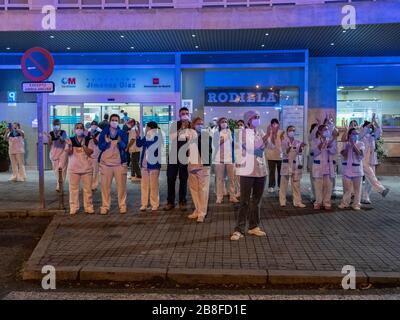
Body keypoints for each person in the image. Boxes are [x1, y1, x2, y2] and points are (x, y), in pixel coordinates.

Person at [230, 110, 268, 241]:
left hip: (261, 170)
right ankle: (239, 229)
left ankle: (253, 226)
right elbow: (253, 148)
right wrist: (268, 135)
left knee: (257, 201)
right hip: (247, 171)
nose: (257, 119)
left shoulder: (260, 132)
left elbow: (268, 146)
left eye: (258, 117)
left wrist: (270, 136)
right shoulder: (242, 133)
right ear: (248, 120)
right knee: (244, 201)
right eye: (255, 117)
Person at [98, 114, 129, 215]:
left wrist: (120, 142)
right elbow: (100, 147)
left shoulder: (122, 133)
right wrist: (106, 143)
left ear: (119, 121)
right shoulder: (104, 132)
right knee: (105, 187)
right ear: (109, 121)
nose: (114, 122)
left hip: (119, 164)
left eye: (116, 120)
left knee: (121, 187)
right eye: (112, 120)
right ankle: (105, 206)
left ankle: (122, 205)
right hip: (106, 164)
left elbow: (125, 147)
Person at [164, 107, 191, 211]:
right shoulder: (174, 125)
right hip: (174, 154)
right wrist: (181, 129)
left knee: (183, 179)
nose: (184, 115)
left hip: (185, 155)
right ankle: (170, 202)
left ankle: (182, 201)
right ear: (179, 115)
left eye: (186, 113)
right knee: (170, 178)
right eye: (182, 113)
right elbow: (171, 138)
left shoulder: (191, 125)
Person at [65, 123, 94, 215]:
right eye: (77, 128)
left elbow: (90, 152)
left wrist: (84, 146)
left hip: (86, 168)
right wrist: (69, 145)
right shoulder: (70, 139)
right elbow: (68, 153)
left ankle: (88, 207)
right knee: (73, 189)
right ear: (74, 130)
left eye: (81, 128)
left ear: (84, 129)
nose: (79, 129)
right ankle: (73, 207)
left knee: (87, 189)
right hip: (73, 168)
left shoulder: (89, 140)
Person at [360, 114, 390, 203]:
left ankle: (365, 197)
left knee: (369, 180)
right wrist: (370, 122)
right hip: (364, 161)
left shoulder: (372, 137)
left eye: (371, 127)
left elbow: (379, 131)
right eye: (368, 127)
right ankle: (381, 190)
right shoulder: (361, 136)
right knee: (372, 177)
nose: (370, 128)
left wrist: (375, 122)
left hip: (372, 161)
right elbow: (363, 131)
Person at [187, 117, 212, 223]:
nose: (200, 125)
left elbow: (209, 149)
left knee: (203, 190)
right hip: (192, 165)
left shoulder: (206, 135)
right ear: (193, 125)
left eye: (202, 124)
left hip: (203, 166)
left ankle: (202, 213)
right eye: (198, 124)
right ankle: (197, 210)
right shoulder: (189, 135)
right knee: (194, 189)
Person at [136, 121, 162, 212]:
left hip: (154, 164)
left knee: (154, 185)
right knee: (144, 185)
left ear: (151, 128)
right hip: (144, 165)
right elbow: (139, 144)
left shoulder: (157, 136)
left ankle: (154, 204)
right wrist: (138, 135)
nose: (146, 129)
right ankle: (144, 204)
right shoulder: (147, 136)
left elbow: (151, 146)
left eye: (147, 127)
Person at [212, 117, 239, 204]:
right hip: (219, 159)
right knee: (220, 179)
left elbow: (234, 144)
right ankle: (219, 196)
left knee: (231, 179)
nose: (224, 123)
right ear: (219, 124)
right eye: (222, 122)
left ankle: (232, 196)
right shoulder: (216, 133)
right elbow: (214, 145)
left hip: (230, 159)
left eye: (226, 122)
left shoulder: (230, 132)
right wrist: (223, 139)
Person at [279, 126, 306, 208]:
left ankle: (297, 202)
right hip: (286, 164)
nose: (292, 132)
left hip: (295, 165)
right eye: (290, 130)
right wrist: (289, 147)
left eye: (293, 130)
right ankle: (282, 201)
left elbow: (299, 152)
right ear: (287, 131)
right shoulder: (284, 141)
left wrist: (301, 146)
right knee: (284, 184)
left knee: (296, 184)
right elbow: (285, 153)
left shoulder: (297, 142)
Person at [311, 124, 337, 210]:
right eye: (324, 130)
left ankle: (326, 202)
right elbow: (314, 152)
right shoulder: (315, 140)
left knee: (328, 186)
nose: (326, 131)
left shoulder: (331, 140)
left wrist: (330, 142)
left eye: (327, 130)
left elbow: (333, 151)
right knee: (318, 186)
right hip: (318, 166)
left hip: (328, 167)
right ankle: (318, 202)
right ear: (319, 131)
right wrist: (323, 143)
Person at [338, 128, 365, 210]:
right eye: (353, 134)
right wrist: (348, 145)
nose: (355, 136)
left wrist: (353, 145)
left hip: (357, 169)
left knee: (357, 189)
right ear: (349, 135)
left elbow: (360, 155)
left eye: (356, 134)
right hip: (347, 169)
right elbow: (344, 154)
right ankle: (345, 203)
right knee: (347, 188)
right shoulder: (345, 144)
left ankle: (356, 204)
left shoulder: (361, 144)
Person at [46, 119, 68, 192]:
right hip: (54, 153)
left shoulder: (63, 132)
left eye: (58, 124)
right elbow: (49, 144)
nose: (56, 126)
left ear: (60, 125)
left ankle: (60, 185)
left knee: (61, 168)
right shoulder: (51, 133)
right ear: (53, 125)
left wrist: (59, 136)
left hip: (63, 152)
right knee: (56, 169)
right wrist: (49, 138)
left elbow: (62, 141)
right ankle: (58, 183)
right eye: (55, 125)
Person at [266, 118, 283, 193]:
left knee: (280, 172)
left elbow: (284, 142)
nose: (274, 125)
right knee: (271, 172)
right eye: (273, 124)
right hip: (271, 155)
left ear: (278, 124)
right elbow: (270, 143)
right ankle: (271, 186)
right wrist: (272, 133)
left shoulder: (282, 132)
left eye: (276, 123)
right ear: (271, 125)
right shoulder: (269, 132)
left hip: (280, 155)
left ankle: (280, 186)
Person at [87, 120, 102, 191]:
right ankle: (89, 184)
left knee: (95, 171)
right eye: (92, 124)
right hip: (89, 153)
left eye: (95, 124)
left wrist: (93, 136)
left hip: (96, 153)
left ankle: (94, 185)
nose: (93, 125)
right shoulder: (88, 132)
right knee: (90, 171)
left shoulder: (99, 132)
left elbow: (97, 142)